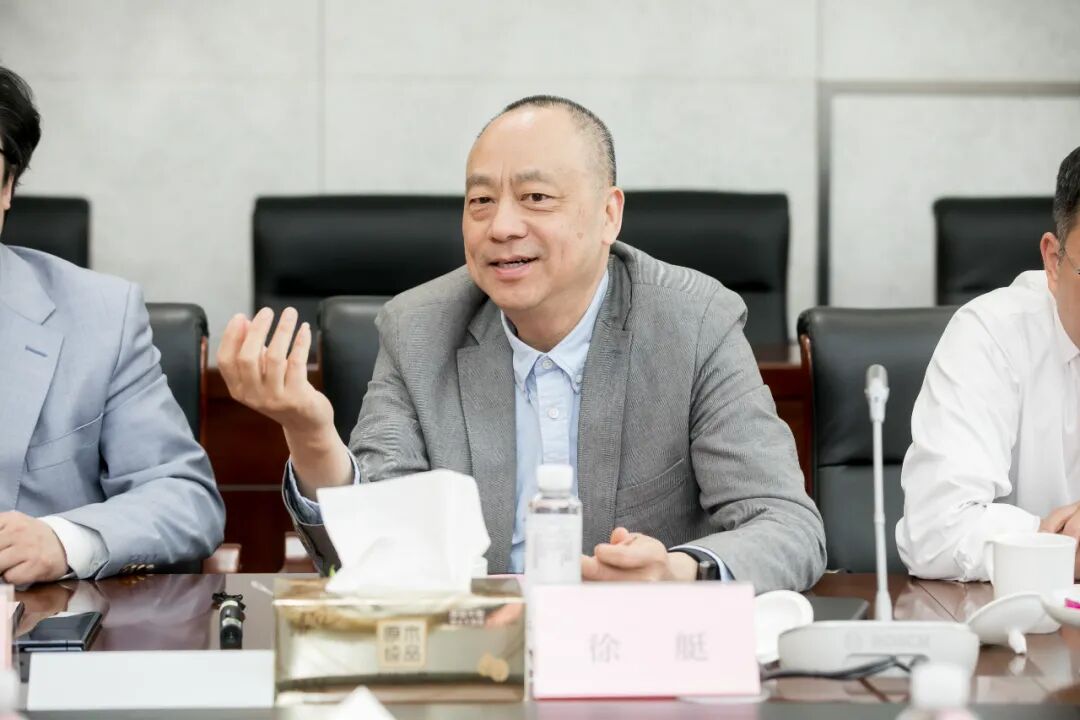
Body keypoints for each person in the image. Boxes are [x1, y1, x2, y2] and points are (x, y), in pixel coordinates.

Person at [219, 95, 825, 592]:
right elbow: (372, 549)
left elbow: (787, 527)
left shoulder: (693, 322)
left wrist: (679, 571)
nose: (502, 226)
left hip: (634, 658)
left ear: (609, 214)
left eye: (536, 198)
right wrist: (310, 433)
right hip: (477, 656)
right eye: (480, 201)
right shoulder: (418, 328)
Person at [0, 66, 224, 582]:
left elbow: (185, 500)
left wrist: (62, 540)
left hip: (32, 618)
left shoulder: (100, 317)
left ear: (7, 186)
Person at [898, 145, 1080, 581]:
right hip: (1022, 615)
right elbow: (935, 532)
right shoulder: (992, 336)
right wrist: (1053, 544)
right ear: (1054, 261)